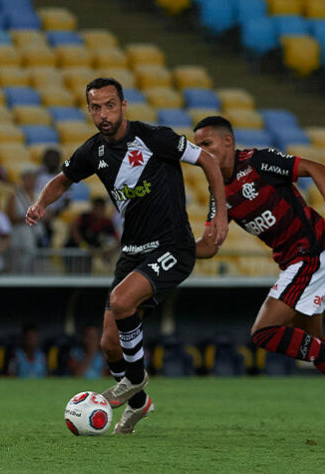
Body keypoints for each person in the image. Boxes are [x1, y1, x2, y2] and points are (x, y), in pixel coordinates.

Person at [26, 77, 229, 434]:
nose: (103, 114)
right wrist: (41, 204)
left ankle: (134, 380)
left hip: (172, 246)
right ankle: (139, 404)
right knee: (108, 343)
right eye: (95, 107)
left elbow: (210, 162)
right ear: (89, 110)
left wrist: (219, 214)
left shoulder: (155, 137)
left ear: (123, 106)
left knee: (121, 303)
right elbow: (63, 179)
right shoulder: (93, 152)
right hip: (132, 251)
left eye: (109, 105)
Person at [192, 116, 325, 434]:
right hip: (297, 260)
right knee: (315, 346)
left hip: (308, 253)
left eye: (206, 144)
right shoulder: (219, 192)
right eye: (197, 147)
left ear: (227, 141)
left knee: (263, 333)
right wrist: (176, 248)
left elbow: (316, 168)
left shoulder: (256, 161)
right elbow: (210, 244)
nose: (201, 152)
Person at [64, 197, 118, 273]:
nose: (99, 212)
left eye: (102, 209)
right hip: (75, 249)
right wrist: (85, 246)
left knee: (87, 272)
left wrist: (110, 250)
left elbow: (117, 239)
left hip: (91, 253)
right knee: (74, 272)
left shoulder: (107, 222)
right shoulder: (84, 218)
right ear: (93, 208)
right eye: (97, 209)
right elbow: (73, 230)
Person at [6, 164, 43, 272]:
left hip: (35, 234)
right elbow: (9, 217)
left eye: (32, 178)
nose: (30, 181)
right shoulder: (14, 196)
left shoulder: (39, 196)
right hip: (20, 236)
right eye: (27, 178)